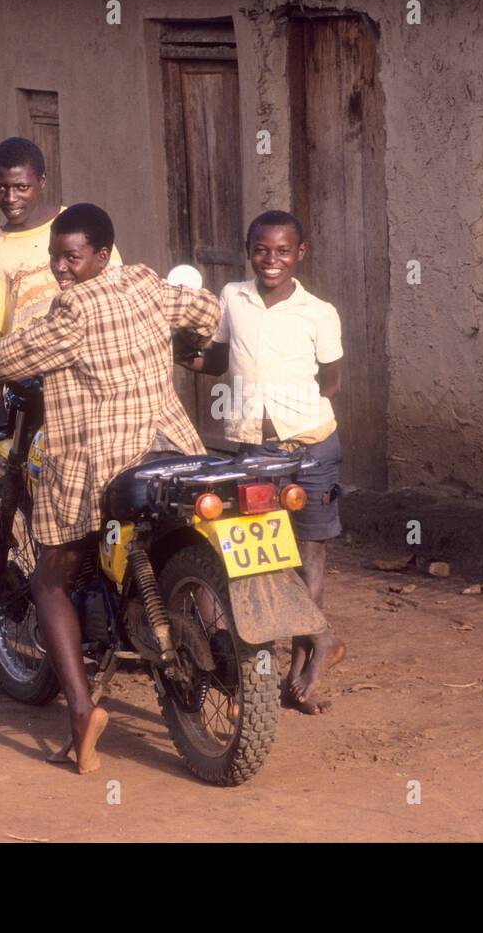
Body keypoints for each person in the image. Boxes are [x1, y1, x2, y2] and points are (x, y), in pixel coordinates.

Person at [0, 203, 220, 774]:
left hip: (101, 463)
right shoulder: (143, 282)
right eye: (55, 257)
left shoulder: (72, 310)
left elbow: (13, 352)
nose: (61, 269)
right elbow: (204, 306)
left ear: (101, 256)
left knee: (49, 579)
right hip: (170, 449)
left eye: (72, 257)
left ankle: (82, 712)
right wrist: (188, 344)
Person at [178, 210, 346, 714]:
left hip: (311, 446)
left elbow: (331, 379)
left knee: (308, 555)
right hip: (254, 452)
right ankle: (311, 644)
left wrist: (295, 412)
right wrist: (184, 354)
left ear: (301, 254)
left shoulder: (319, 312)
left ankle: (303, 664)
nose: (271, 260)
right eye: (261, 250)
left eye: (282, 251)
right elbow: (223, 359)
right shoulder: (233, 298)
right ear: (248, 249)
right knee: (258, 556)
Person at [0, 137, 123, 424]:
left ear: (42, 181)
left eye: (21, 187)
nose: (11, 199)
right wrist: (4, 426)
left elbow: (119, 302)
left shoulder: (78, 227)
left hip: (97, 387)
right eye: (0, 188)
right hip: (33, 399)